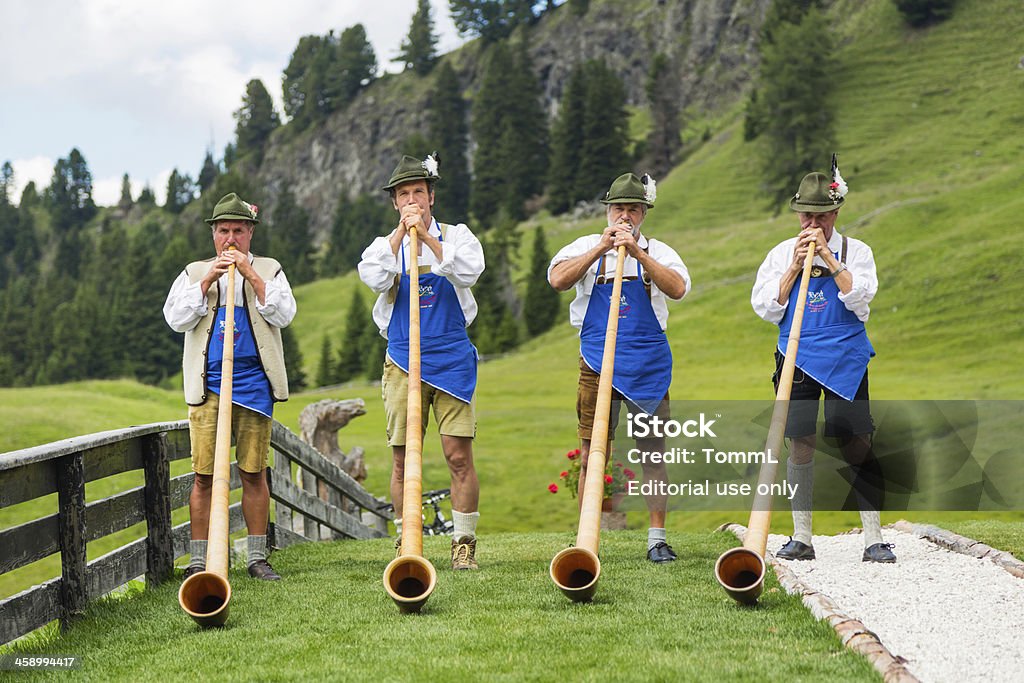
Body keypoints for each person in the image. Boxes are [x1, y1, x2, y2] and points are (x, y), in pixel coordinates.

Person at [751, 166, 895, 563]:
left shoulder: (856, 251)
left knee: (856, 441)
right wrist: (795, 268)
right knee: (799, 442)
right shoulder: (781, 253)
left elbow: (860, 299)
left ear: (835, 214)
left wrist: (830, 259)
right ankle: (802, 537)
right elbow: (766, 307)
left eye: (821, 216)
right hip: (797, 356)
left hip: (845, 355)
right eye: (806, 216)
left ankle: (874, 537)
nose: (812, 224)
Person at [548, 173, 690, 563]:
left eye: (632, 209)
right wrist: (600, 250)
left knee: (653, 453)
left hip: (648, 365)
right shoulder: (584, 246)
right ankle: (586, 538)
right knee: (593, 451)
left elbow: (678, 288)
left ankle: (657, 538)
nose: (624, 216)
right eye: (617, 209)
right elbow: (558, 280)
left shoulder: (660, 250)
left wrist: (639, 255)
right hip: (596, 362)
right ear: (607, 211)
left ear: (643, 213)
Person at [358, 153, 485, 571]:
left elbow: (468, 271)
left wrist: (427, 239)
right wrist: (400, 235)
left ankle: (463, 542)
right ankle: (406, 539)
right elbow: (373, 277)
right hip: (402, 359)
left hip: (450, 357)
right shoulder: (385, 246)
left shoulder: (456, 236)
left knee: (458, 456)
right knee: (402, 457)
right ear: (394, 202)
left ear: (431, 196)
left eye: (418, 192)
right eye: (403, 195)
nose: (411, 200)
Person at [164, 192, 297, 581]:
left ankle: (257, 557)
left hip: (254, 386)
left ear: (251, 232)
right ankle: (198, 561)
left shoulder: (270, 269)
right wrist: (209, 279)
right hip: (209, 389)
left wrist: (251, 276)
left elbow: (284, 313)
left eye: (239, 230)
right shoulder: (193, 272)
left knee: (254, 472)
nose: (231, 239)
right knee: (204, 475)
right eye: (224, 231)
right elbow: (176, 319)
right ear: (213, 234)